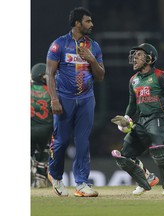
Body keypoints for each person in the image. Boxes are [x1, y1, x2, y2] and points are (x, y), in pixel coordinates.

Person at [46, 7, 105, 197]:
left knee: (82, 142)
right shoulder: (59, 44)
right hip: (64, 98)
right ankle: (55, 176)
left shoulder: (94, 46)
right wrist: (54, 99)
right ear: (77, 23)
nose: (91, 24)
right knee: (61, 142)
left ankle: (81, 183)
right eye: (88, 21)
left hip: (86, 99)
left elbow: (101, 76)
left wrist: (92, 60)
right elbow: (50, 74)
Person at [111, 43, 164, 196]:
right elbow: (132, 104)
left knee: (160, 149)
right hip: (141, 121)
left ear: (149, 59)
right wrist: (125, 118)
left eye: (139, 55)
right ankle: (146, 179)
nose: (134, 58)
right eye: (134, 55)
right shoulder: (133, 80)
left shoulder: (159, 75)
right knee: (125, 155)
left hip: (158, 118)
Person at [31, 63, 54, 188]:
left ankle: (31, 168)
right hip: (46, 129)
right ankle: (40, 178)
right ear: (41, 77)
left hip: (30, 128)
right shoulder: (51, 90)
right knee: (43, 152)